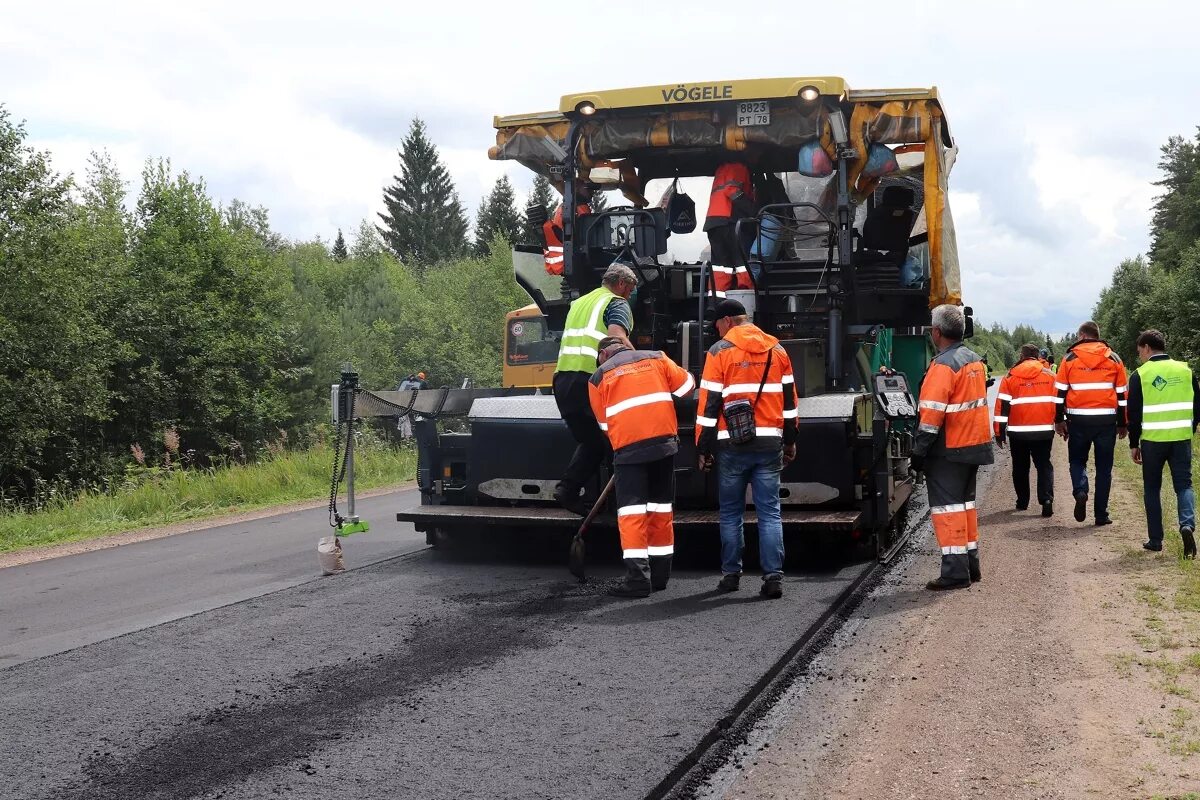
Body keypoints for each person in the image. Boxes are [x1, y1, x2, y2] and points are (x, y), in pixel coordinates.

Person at [695, 298, 798, 599]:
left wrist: (702, 447)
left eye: (717, 325)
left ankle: (731, 576)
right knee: (769, 512)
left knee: (730, 513)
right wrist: (790, 440)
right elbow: (790, 404)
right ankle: (774, 577)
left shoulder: (719, 352)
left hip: (732, 445)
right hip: (770, 443)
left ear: (727, 321)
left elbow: (709, 405)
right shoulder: (777, 350)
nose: (717, 331)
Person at [588, 337, 695, 597]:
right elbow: (688, 388)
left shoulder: (598, 377)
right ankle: (659, 577)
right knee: (660, 510)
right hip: (664, 445)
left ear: (603, 354)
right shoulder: (657, 357)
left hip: (629, 451)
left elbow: (604, 425)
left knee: (632, 514)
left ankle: (637, 580)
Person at [911, 304, 993, 590]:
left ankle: (955, 573)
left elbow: (931, 415)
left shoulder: (942, 366)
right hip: (974, 445)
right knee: (965, 507)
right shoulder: (974, 361)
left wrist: (918, 452)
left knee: (948, 510)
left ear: (936, 332)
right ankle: (971, 565)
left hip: (949, 449)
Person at [553, 263, 638, 515]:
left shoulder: (579, 303)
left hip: (563, 381)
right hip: (591, 382)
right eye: (631, 289)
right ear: (621, 284)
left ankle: (567, 489)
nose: (631, 295)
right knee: (619, 444)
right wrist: (641, 361)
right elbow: (615, 338)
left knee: (592, 441)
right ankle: (622, 505)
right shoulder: (616, 303)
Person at [1127, 329, 1200, 556]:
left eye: (1140, 351)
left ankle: (1156, 540)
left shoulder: (1140, 375)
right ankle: (1187, 524)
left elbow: (1134, 413)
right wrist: (1192, 427)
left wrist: (1133, 443)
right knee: (1184, 485)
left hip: (1152, 441)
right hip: (1180, 438)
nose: (1140, 356)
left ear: (1147, 348)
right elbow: (1197, 405)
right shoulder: (1185, 370)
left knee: (1152, 488)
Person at [1054, 321, 1128, 525]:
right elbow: (1122, 395)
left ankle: (1080, 490)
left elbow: (1059, 394)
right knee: (1104, 468)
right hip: (1106, 421)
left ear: (1082, 336)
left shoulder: (1069, 359)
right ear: (1097, 335)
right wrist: (1123, 422)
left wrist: (1059, 420)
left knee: (1077, 461)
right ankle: (1101, 515)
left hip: (1078, 421)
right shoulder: (1113, 358)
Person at [994, 344, 1058, 517]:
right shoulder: (1050, 375)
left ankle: (1022, 501)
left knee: (1020, 467)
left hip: (1018, 432)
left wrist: (999, 432)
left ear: (1022, 356)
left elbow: (1002, 406)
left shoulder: (1011, 376)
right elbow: (1060, 402)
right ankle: (1046, 499)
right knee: (1044, 465)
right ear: (1037, 357)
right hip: (1043, 431)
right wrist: (1062, 423)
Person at [704, 163, 757, 298]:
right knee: (742, 262)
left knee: (720, 266)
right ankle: (744, 299)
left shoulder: (720, 169)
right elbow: (731, 190)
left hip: (713, 223)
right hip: (729, 221)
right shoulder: (740, 167)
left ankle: (715, 303)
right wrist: (753, 211)